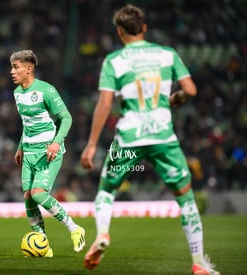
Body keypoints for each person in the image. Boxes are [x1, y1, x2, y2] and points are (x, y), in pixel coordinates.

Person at [79, 5, 220, 275]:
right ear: (144, 28)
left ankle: (103, 235)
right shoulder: (167, 54)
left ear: (119, 32)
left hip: (130, 136)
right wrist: (176, 98)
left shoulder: (114, 61)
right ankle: (199, 263)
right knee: (185, 198)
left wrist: (92, 144)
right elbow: (190, 89)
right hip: (163, 135)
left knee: (107, 190)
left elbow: (105, 104)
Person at [10, 50, 86, 257]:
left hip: (48, 151)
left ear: (29, 68)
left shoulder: (46, 90)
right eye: (12, 67)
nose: (12, 72)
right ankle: (42, 244)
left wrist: (56, 142)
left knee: (39, 194)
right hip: (29, 151)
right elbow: (27, 124)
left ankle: (75, 228)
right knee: (28, 196)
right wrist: (20, 147)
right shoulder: (17, 93)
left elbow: (66, 118)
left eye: (16, 67)